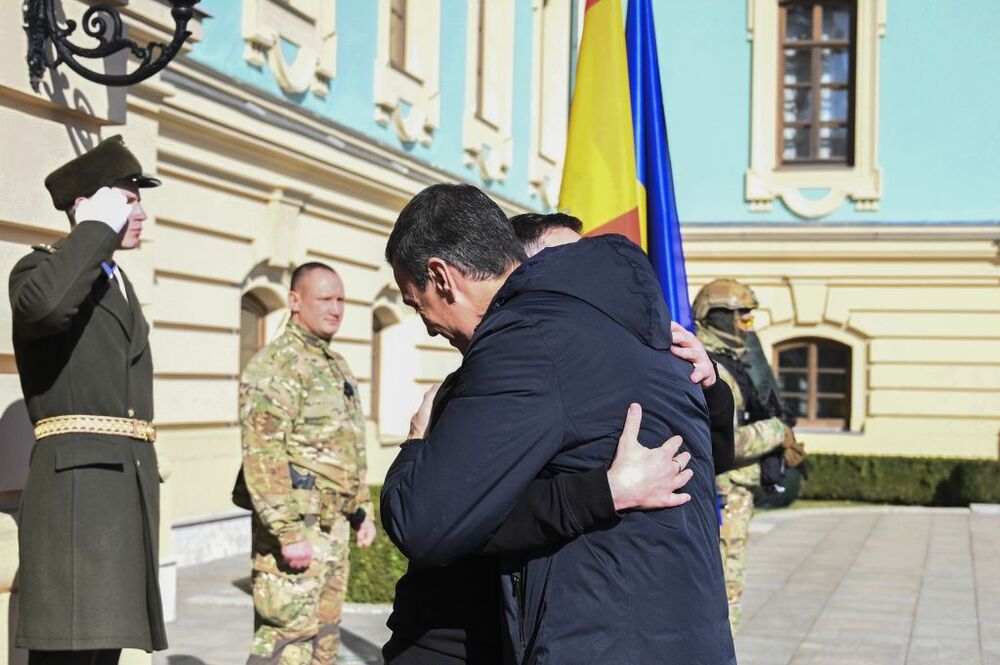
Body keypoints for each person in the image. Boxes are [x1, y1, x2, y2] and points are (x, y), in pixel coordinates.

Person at [381, 184, 735, 664]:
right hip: (681, 634)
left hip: (602, 637)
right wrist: (602, 491)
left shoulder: (525, 340)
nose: (425, 325)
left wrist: (417, 442)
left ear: (441, 277)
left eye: (415, 301)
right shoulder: (633, 331)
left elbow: (422, 522)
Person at [10, 135, 165, 664]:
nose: (140, 211)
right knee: (68, 649)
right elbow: (47, 310)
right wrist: (96, 226)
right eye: (127, 198)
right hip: (78, 494)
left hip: (121, 489)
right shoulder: (41, 269)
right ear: (86, 206)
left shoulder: (113, 280)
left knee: (103, 652)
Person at [510, 212, 735, 475]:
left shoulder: (640, 342)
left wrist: (710, 386)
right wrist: (605, 493)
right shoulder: (524, 356)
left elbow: (713, 458)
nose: (589, 267)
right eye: (569, 260)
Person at [240, 262, 377, 664]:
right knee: (286, 644)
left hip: (331, 534)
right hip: (296, 536)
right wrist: (286, 532)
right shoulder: (276, 365)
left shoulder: (336, 365)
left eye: (341, 300)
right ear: (295, 301)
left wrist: (360, 510)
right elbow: (262, 454)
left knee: (324, 645)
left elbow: (348, 446)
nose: (336, 308)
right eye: (325, 299)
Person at [692, 278, 807, 630]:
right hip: (720, 497)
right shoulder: (706, 365)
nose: (748, 328)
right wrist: (776, 433)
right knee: (719, 598)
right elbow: (717, 440)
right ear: (719, 316)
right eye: (743, 319)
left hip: (737, 493)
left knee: (731, 590)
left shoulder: (734, 363)